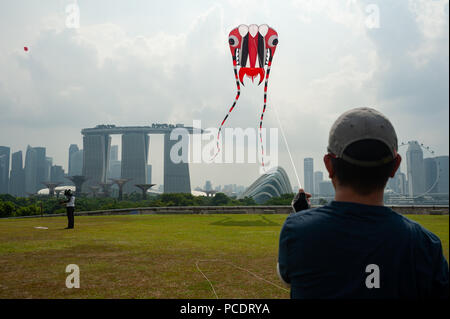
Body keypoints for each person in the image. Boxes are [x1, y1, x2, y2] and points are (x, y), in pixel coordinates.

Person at [278, 107, 449, 298]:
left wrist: (301, 215)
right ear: (395, 166)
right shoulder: (425, 245)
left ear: (329, 165)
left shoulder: (297, 231)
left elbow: (287, 278)